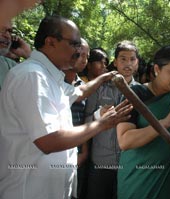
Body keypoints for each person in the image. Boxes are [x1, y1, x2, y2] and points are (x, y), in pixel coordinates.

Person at [0, 15, 132, 199]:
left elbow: (78, 93)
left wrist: (103, 77)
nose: (78, 51)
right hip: (30, 191)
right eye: (74, 44)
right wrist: (101, 123)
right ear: (51, 42)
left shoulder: (50, 77)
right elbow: (48, 140)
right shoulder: (32, 76)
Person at [117, 45, 170, 199]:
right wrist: (164, 123)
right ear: (157, 69)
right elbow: (124, 140)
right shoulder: (136, 95)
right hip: (139, 181)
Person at [85, 40, 140, 199]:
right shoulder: (100, 87)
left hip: (128, 165)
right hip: (101, 163)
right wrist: (98, 116)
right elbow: (85, 122)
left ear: (137, 63)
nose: (128, 63)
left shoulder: (143, 92)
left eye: (132, 59)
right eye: (123, 59)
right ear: (115, 62)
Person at [63, 38, 90, 199]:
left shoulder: (84, 85)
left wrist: (84, 152)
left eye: (87, 56)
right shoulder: (52, 81)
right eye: (80, 54)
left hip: (78, 152)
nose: (84, 60)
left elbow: (85, 120)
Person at [0, 19, 31, 91]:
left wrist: (28, 55)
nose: (7, 36)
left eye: (10, 31)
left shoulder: (8, 65)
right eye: (2, 29)